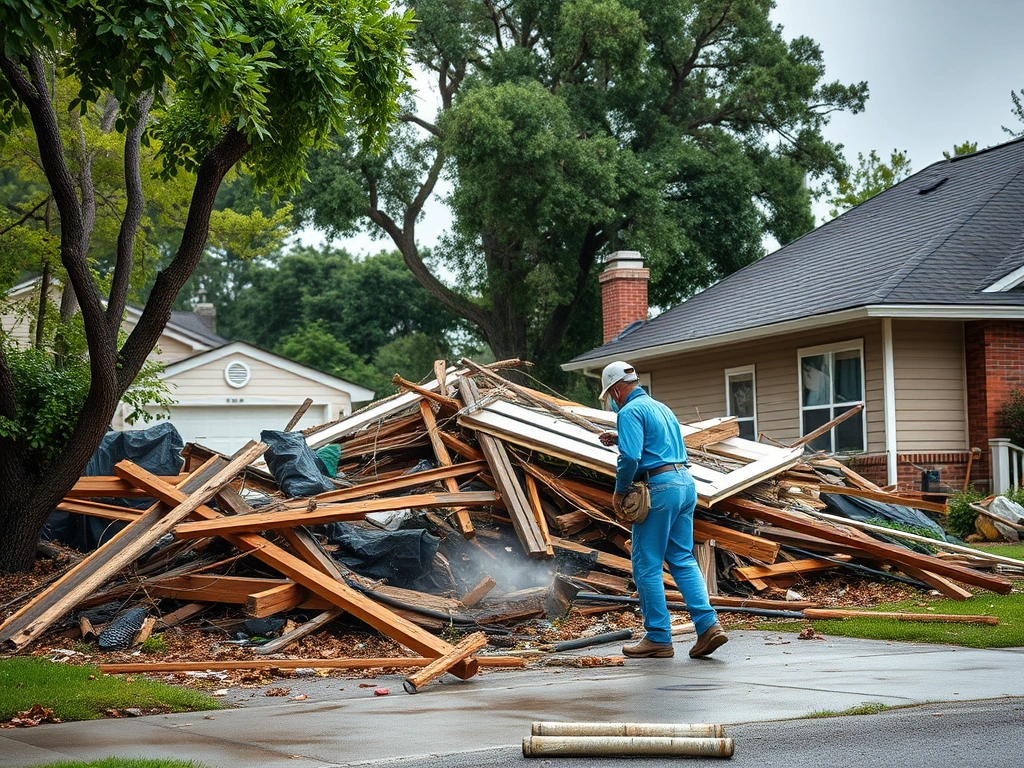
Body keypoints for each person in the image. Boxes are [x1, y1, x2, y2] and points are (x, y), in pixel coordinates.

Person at [599, 360, 727, 659]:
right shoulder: (661, 408)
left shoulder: (629, 411)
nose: (612, 402)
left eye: (610, 396)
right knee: (682, 558)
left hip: (659, 488)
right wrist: (620, 437)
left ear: (616, 390)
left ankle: (658, 636)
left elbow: (631, 458)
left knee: (646, 563)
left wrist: (620, 491)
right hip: (685, 484)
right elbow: (660, 444)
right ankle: (708, 626)